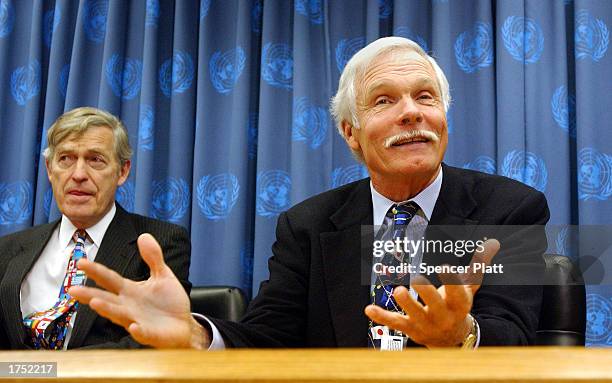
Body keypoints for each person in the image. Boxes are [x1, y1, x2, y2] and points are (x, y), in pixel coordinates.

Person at [70, 37, 549, 349]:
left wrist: (460, 335)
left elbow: (515, 331)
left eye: (425, 97)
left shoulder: (509, 209)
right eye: (384, 100)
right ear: (351, 133)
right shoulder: (308, 225)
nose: (411, 113)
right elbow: (268, 338)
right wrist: (196, 334)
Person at [0, 107, 191, 350]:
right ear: (49, 169)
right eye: (66, 159)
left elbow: (159, 340)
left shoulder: (159, 242)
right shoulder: (8, 249)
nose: (78, 174)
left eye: (95, 160)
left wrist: (56, 371)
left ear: (122, 171)